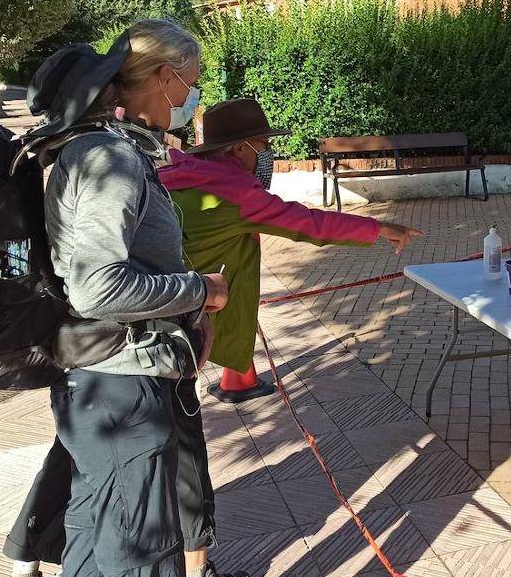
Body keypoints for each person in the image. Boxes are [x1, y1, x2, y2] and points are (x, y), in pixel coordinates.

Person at [0, 20, 247, 577]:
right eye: (193, 82)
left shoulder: (99, 151)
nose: (193, 97)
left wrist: (187, 310)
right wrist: (199, 291)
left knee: (94, 549)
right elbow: (98, 286)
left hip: (103, 386)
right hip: (122, 394)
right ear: (164, 77)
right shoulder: (111, 159)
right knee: (140, 566)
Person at [159, 98, 423, 398]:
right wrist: (382, 228)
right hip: (181, 312)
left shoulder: (186, 173)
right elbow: (309, 223)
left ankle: (236, 378)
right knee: (176, 403)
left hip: (164, 288)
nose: (268, 153)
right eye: (263, 144)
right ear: (241, 147)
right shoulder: (236, 191)